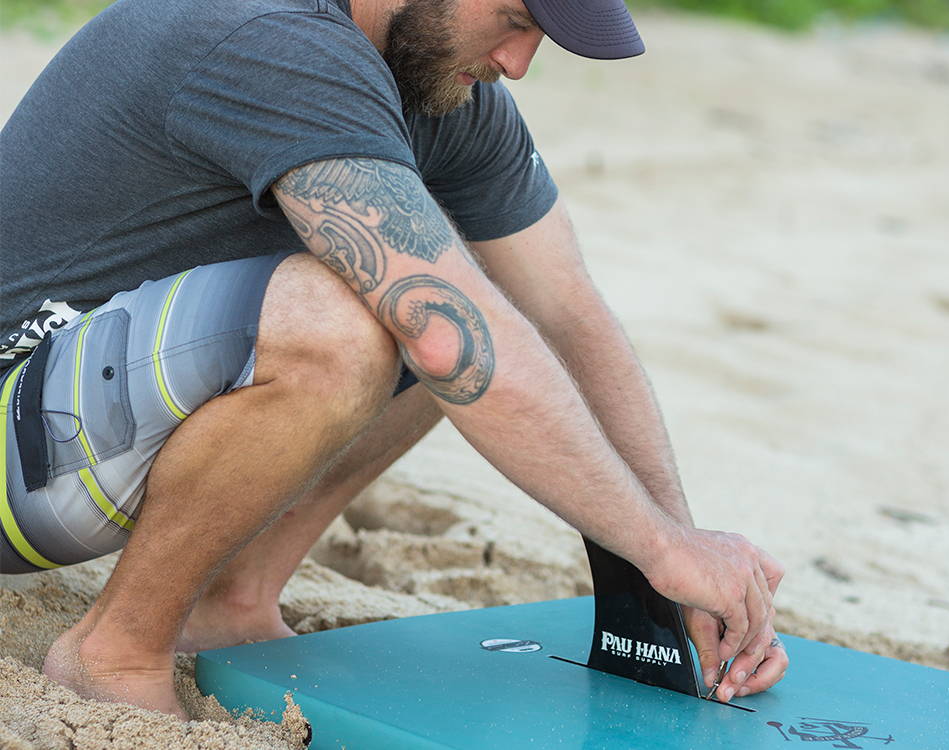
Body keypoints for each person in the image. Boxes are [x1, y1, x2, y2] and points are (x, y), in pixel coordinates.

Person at [0, 0, 788, 719]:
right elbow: (447, 337)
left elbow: (571, 319)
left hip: (93, 430)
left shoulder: (450, 98)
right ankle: (116, 652)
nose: (518, 62)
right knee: (391, 314)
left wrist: (671, 566)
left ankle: (232, 598)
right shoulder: (273, 40)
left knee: (473, 298)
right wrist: (659, 546)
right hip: (14, 437)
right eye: (515, 19)